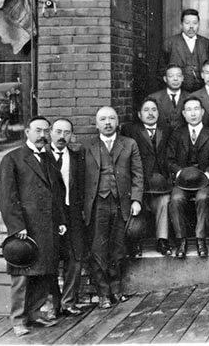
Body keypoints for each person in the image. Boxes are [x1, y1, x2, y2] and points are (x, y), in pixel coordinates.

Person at [0, 116, 66, 336]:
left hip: (47, 226)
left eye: (46, 131)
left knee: (44, 272)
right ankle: (18, 320)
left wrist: (61, 220)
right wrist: (17, 227)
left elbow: (57, 193)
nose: (42, 136)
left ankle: (35, 314)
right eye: (38, 131)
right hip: (25, 228)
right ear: (27, 132)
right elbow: (6, 197)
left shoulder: (48, 159)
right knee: (22, 276)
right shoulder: (13, 159)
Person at [81, 106, 143, 309]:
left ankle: (116, 289)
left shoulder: (129, 144)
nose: (107, 123)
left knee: (118, 247)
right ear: (96, 123)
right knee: (98, 248)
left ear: (117, 122)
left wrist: (136, 200)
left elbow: (137, 174)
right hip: (97, 204)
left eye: (111, 118)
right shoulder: (87, 147)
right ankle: (103, 293)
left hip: (120, 202)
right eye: (103, 119)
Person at [121, 97, 173, 256]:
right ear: (139, 114)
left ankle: (162, 240)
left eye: (154, 110)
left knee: (164, 201)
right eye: (146, 110)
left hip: (161, 181)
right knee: (138, 206)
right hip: (140, 181)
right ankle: (136, 243)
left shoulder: (167, 130)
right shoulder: (130, 130)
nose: (150, 114)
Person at [167, 97, 209, 259]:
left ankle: (200, 240)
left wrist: (208, 174)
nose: (193, 113)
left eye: (196, 109)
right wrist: (180, 173)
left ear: (202, 112)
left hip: (204, 180)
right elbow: (169, 160)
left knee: (203, 198)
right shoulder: (177, 134)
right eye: (189, 110)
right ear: (184, 113)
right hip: (182, 181)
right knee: (176, 199)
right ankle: (182, 241)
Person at [47, 118, 85, 316]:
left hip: (73, 213)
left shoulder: (77, 157)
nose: (62, 136)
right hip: (50, 215)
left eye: (67, 133)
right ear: (51, 132)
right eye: (59, 132)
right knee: (50, 260)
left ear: (72, 135)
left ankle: (68, 301)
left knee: (75, 258)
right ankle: (54, 304)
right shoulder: (42, 157)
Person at [159, 9, 209, 93]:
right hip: (178, 92)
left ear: (199, 25)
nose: (191, 26)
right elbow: (161, 71)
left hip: (202, 93)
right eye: (187, 23)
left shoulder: (207, 44)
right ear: (181, 25)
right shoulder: (170, 43)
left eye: (195, 23)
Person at [147, 65, 189, 132]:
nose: (175, 79)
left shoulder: (190, 97)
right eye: (171, 76)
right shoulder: (154, 98)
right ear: (165, 79)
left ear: (182, 78)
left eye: (178, 76)